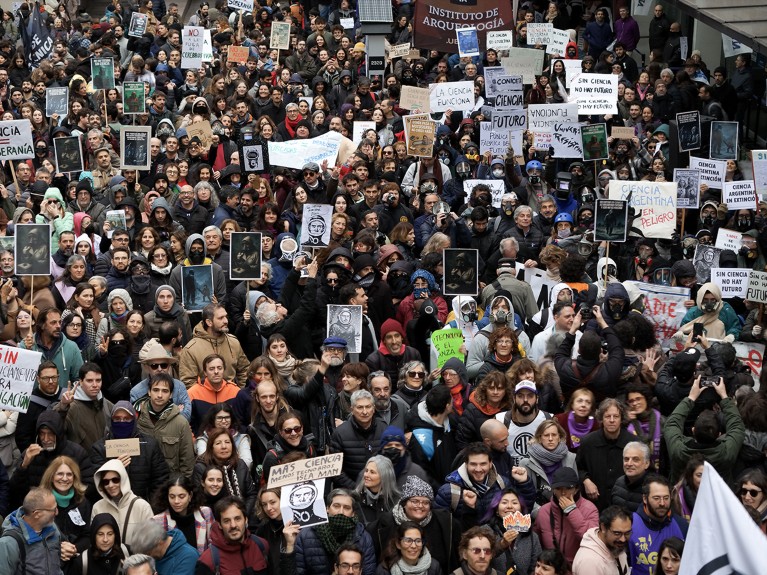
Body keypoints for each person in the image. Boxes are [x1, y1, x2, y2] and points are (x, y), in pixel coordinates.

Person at [367, 475, 462, 573]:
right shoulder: (383, 524)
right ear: (404, 503)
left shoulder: (445, 523)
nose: (420, 506)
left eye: (426, 502)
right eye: (415, 501)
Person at [663, 376, 745, 484]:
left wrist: (691, 397)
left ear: (693, 430)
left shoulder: (678, 451)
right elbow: (737, 426)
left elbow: (672, 424)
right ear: (719, 435)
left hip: (682, 499)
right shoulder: (726, 454)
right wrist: (724, 396)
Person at [91, 400, 170, 501]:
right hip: (112, 505)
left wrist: (150, 506)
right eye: (117, 419)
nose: (122, 422)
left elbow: (161, 479)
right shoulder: (100, 447)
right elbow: (97, 483)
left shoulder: (149, 444)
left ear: (133, 420)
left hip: (144, 507)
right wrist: (115, 468)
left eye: (126, 419)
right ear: (111, 420)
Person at [296, 489, 377, 575]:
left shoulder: (363, 538)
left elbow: (369, 572)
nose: (341, 512)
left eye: (347, 508)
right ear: (327, 508)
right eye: (336, 506)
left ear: (353, 513)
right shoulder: (306, 535)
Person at [533, 467, 599, 571]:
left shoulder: (589, 509)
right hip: (551, 570)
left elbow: (592, 540)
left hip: (578, 568)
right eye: (558, 488)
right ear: (553, 490)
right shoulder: (544, 511)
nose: (563, 493)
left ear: (576, 489)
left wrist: (572, 511)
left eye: (568, 488)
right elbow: (536, 543)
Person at [575, 399, 634, 510]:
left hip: (625, 505)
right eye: (607, 416)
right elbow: (577, 467)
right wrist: (586, 481)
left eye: (616, 416)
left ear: (621, 419)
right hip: (595, 505)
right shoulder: (588, 442)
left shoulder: (633, 443)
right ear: (601, 418)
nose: (612, 420)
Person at [135, 373, 196, 477]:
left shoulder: (180, 423)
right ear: (149, 392)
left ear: (171, 394)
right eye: (155, 390)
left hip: (170, 484)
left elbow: (187, 464)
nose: (159, 395)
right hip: (143, 483)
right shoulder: (137, 419)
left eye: (165, 391)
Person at [179, 304, 250, 388]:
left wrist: (240, 394)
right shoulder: (191, 349)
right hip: (204, 399)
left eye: (225, 316)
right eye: (220, 318)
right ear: (209, 322)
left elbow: (244, 371)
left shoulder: (233, 342)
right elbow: (188, 382)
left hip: (232, 398)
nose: (226, 321)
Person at [628, 475, 688, 575]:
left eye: (666, 498)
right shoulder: (630, 524)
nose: (662, 503)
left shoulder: (682, 526)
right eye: (656, 498)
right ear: (645, 499)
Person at [39, 456, 92, 568]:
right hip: (46, 563)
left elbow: (88, 535)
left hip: (76, 562)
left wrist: (74, 548)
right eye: (60, 474)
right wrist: (59, 548)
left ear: (74, 477)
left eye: (69, 474)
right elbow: (35, 533)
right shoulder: (40, 502)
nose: (64, 478)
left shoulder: (82, 502)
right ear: (51, 476)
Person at [91, 459, 154, 549]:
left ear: (123, 479)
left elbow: (151, 542)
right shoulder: (97, 507)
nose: (111, 485)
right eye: (106, 482)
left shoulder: (142, 506)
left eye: (115, 480)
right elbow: (94, 541)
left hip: (136, 561)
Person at [0, 488, 62, 575]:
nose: (57, 512)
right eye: (53, 509)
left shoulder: (52, 529)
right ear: (37, 514)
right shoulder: (8, 543)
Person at [520, 420, 578, 513]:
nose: (550, 439)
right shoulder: (526, 463)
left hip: (567, 510)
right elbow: (524, 494)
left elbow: (575, 489)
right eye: (546, 435)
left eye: (554, 435)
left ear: (559, 437)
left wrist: (570, 509)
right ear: (539, 438)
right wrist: (541, 514)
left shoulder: (570, 458)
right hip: (539, 514)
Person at [331, 390, 384, 489]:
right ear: (352, 409)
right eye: (360, 407)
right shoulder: (340, 433)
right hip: (349, 490)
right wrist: (356, 489)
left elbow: (389, 463)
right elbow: (336, 470)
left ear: (374, 408)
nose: (364, 412)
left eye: (368, 407)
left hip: (378, 489)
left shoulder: (384, 429)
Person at [151, 475, 214, 554]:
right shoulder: (157, 521)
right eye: (172, 496)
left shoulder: (205, 513)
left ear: (190, 496)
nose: (176, 501)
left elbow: (213, 545)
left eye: (181, 496)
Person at [486, 488, 542, 575]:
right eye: (504, 502)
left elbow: (535, 568)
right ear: (496, 509)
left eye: (515, 503)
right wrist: (501, 545)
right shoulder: (485, 531)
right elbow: (480, 559)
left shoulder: (532, 537)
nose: (509, 506)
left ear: (521, 509)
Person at [572, 506, 632, 575]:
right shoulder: (589, 562)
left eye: (627, 533)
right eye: (617, 533)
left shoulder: (616, 547)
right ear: (603, 528)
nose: (623, 539)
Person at [254, 487, 301, 575]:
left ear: (283, 500)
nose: (268, 508)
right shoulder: (262, 529)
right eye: (264, 504)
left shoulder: (296, 526)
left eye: (273, 502)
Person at [127, 520, 198, 575]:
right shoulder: (155, 553)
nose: (147, 557)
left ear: (159, 542)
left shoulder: (188, 557)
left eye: (148, 552)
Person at [376, 521, 442, 575]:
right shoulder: (384, 570)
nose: (413, 546)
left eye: (418, 541)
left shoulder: (433, 566)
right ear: (398, 544)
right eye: (408, 540)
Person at [355, 455, 401, 525]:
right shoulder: (355, 498)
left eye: (372, 472)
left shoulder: (396, 502)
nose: (366, 475)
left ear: (384, 476)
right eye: (366, 470)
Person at [554, 389, 600, 453]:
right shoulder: (559, 420)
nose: (583, 405)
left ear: (591, 407)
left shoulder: (596, 426)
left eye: (588, 402)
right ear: (572, 404)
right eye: (579, 401)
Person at [610, 442, 651, 513]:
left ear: (646, 464)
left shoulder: (654, 487)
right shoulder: (619, 482)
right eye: (626, 459)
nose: (629, 464)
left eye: (635, 459)